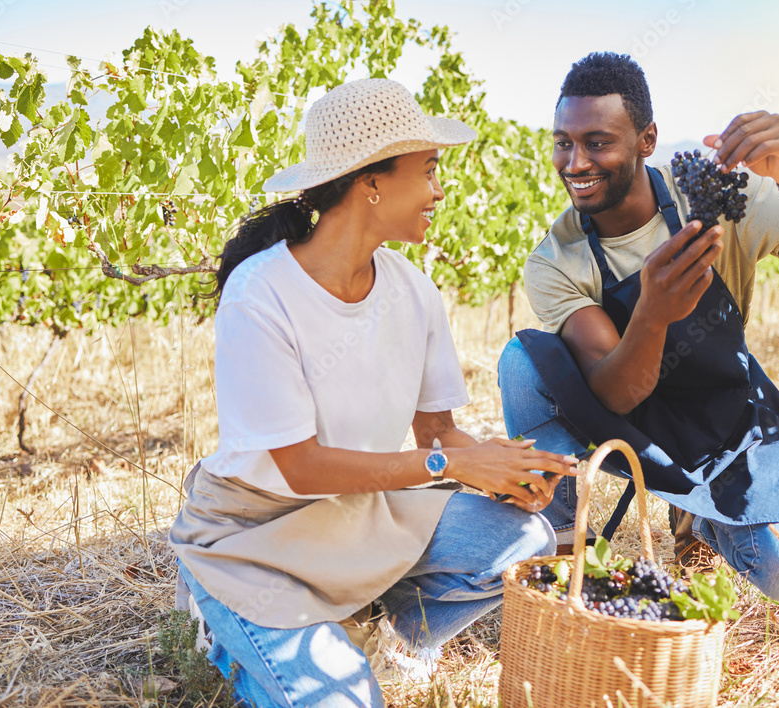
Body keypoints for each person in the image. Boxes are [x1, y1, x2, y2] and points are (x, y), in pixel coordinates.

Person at [168, 78, 577, 708]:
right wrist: (451, 464)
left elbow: (436, 434)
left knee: (528, 538)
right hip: (253, 540)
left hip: (359, 514)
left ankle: (386, 635)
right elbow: (301, 469)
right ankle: (220, 617)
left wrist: (500, 469)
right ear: (371, 183)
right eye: (430, 170)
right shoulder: (261, 295)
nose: (440, 190)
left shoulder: (415, 293)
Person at [498, 52, 779, 602]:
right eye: (564, 141)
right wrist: (652, 315)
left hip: (725, 413)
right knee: (523, 361)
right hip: (638, 421)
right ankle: (560, 551)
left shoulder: (709, 196)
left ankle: (706, 519)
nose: (575, 161)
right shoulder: (557, 259)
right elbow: (618, 396)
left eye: (598, 142)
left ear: (646, 140)